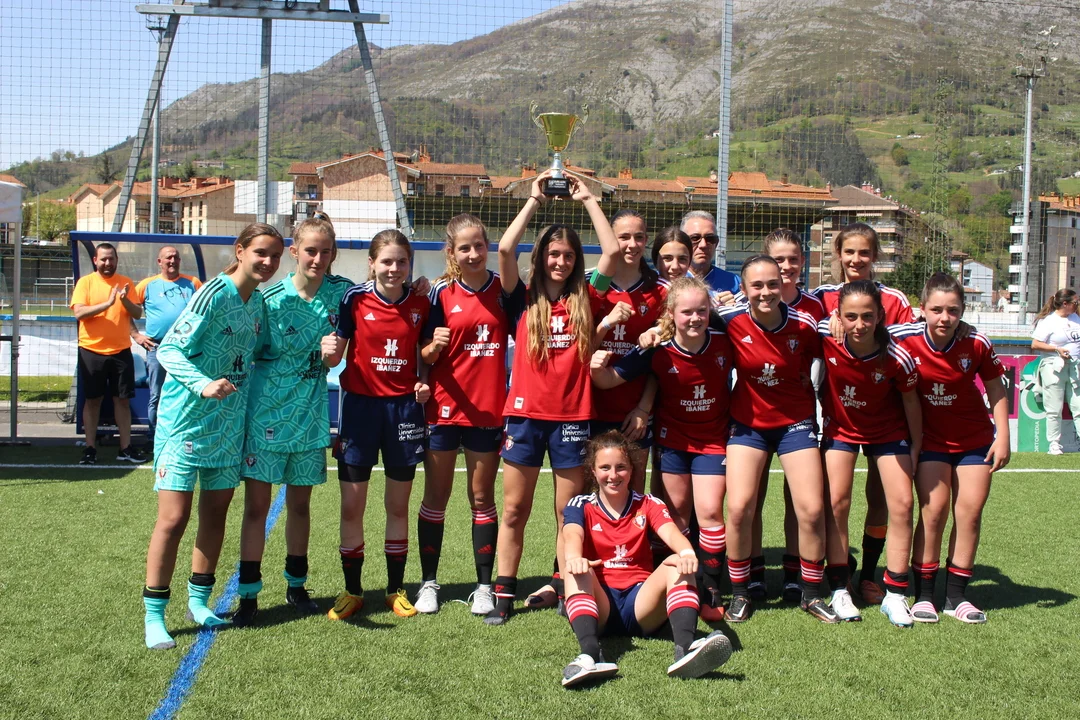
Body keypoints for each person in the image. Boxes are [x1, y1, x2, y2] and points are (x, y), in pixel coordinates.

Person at [484, 170, 620, 625]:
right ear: (541, 257)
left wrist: (588, 198)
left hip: (572, 418)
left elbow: (612, 252)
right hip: (525, 418)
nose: (560, 262)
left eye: (568, 255)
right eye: (553, 254)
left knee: (567, 513)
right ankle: (503, 593)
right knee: (514, 509)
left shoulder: (587, 296)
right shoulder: (520, 298)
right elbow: (505, 250)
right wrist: (534, 200)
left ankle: (566, 589)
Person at [141, 223, 283, 650]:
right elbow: (168, 349)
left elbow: (266, 351)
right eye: (260, 253)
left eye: (275, 256)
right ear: (240, 251)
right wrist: (202, 383)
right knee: (173, 518)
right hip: (184, 423)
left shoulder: (258, 302)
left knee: (216, 514)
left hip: (228, 426)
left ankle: (199, 602)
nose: (268, 262)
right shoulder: (213, 293)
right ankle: (154, 616)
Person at [232, 214, 353, 626]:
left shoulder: (343, 295)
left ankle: (297, 586)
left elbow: (388, 294)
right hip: (265, 415)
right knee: (257, 507)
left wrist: (421, 287)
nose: (317, 259)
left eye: (325, 252)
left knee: (300, 506)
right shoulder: (268, 298)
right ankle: (248, 594)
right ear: (295, 251)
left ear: (333, 254)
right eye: (310, 251)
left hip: (310, 416)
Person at [591, 277, 732, 621]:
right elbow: (608, 380)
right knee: (677, 512)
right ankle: (681, 582)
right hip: (674, 439)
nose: (695, 318)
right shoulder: (656, 348)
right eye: (687, 312)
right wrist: (596, 366)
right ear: (671, 313)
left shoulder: (724, 340)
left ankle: (712, 588)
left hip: (713, 439)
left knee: (710, 511)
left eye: (701, 311)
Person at [709, 255, 835, 623]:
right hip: (748, 426)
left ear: (783, 285)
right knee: (739, 508)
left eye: (772, 284)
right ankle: (741, 593)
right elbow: (689, 322)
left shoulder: (805, 324)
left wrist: (839, 322)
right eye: (757, 285)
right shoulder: (729, 319)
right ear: (744, 289)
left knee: (811, 509)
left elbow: (834, 351)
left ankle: (811, 593)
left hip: (795, 423)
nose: (765, 292)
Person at [559, 431, 732, 687]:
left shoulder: (648, 503)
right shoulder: (580, 504)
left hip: (640, 603)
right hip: (601, 604)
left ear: (632, 470)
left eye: (621, 467)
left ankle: (686, 648)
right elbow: (572, 534)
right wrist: (575, 557)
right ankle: (590, 655)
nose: (613, 475)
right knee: (577, 571)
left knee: (676, 565)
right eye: (605, 468)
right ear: (593, 471)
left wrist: (686, 553)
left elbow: (671, 533)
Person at [414, 214, 522, 615]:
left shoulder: (503, 290)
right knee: (436, 497)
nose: (473, 253)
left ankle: (484, 587)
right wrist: (434, 347)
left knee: (481, 498)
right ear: (451, 251)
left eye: (479, 245)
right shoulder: (438, 293)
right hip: (443, 409)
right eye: (464, 247)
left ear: (487, 246)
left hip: (488, 411)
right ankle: (428, 584)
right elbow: (423, 355)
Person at [323, 229, 431, 620]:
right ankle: (353, 591)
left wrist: (423, 380)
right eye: (386, 261)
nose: (394, 268)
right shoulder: (354, 298)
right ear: (372, 263)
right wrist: (327, 352)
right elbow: (335, 356)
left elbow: (427, 353)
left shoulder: (421, 302)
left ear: (409, 264)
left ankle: (395, 589)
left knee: (397, 506)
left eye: (401, 261)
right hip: (360, 410)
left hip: (403, 413)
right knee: (352, 506)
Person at [893, 273, 1010, 624]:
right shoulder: (902, 339)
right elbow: (865, 333)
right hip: (930, 440)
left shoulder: (975, 342)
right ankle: (924, 596)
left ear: (962, 311)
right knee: (934, 512)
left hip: (974, 440)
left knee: (970, 513)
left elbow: (996, 389)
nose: (945, 318)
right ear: (922, 309)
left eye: (953, 310)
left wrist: (1003, 436)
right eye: (937, 310)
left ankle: (956, 597)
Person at [812, 222, 914, 606]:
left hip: (887, 417)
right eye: (849, 252)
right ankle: (837, 575)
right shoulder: (821, 298)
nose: (856, 259)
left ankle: (869, 575)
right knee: (835, 499)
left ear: (875, 256)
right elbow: (794, 320)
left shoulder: (895, 300)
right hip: (841, 417)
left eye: (865, 252)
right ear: (838, 254)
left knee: (880, 497)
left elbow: (911, 343)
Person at [747, 229, 826, 603]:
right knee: (750, 498)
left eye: (794, 259)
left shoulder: (815, 309)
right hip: (752, 418)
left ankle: (796, 575)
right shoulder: (741, 305)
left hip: (797, 416)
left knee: (801, 499)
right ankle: (754, 574)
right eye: (779, 259)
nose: (787, 266)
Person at [589, 209, 668, 492]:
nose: (632, 244)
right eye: (623, 237)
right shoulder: (591, 285)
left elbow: (661, 362)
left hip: (635, 412)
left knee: (633, 490)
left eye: (639, 237)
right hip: (591, 408)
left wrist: (644, 408)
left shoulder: (661, 290)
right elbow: (578, 350)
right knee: (588, 491)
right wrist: (606, 324)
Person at [70, 242, 146, 465]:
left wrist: (123, 300)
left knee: (122, 401)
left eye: (111, 258)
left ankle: (125, 448)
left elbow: (137, 313)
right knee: (93, 400)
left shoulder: (126, 282)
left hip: (121, 351)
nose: (107, 263)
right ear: (95, 260)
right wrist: (108, 303)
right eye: (103, 259)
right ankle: (90, 449)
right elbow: (79, 313)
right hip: (91, 350)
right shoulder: (86, 283)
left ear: (116, 260)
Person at [131, 246, 202, 441]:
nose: (172, 261)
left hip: (186, 348)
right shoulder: (147, 285)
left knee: (187, 391)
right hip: (157, 348)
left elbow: (205, 312)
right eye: (168, 258)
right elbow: (126, 310)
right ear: (159, 261)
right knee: (157, 393)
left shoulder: (193, 283)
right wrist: (136, 335)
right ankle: (155, 437)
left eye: (176, 257)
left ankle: (185, 436)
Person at [1030, 289, 1080, 455]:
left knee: (1078, 406)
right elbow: (1035, 344)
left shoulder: (1076, 317)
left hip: (1075, 367)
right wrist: (1057, 349)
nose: (1077, 305)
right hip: (1054, 367)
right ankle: (1054, 444)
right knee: (1054, 407)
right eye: (1075, 302)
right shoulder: (1049, 321)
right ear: (1065, 304)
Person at [681, 210, 739, 307]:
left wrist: (734, 310)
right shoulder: (666, 280)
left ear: (716, 243)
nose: (703, 245)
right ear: (681, 242)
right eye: (695, 238)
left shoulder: (734, 283)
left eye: (710, 239)